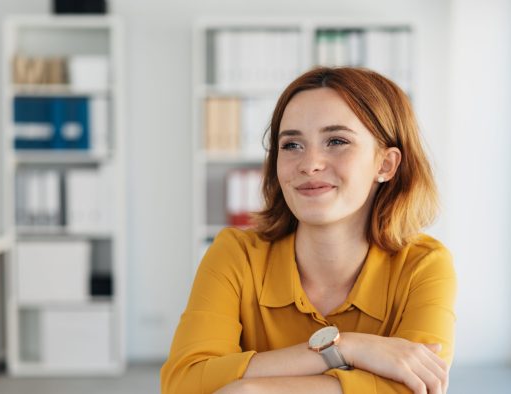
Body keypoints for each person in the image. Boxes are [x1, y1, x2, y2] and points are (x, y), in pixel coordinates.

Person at [161, 67, 457, 394]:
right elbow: (183, 383)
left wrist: (253, 390)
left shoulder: (424, 265)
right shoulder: (236, 252)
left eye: (337, 141)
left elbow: (416, 388)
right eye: (292, 145)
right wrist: (345, 348)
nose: (309, 163)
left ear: (385, 165)